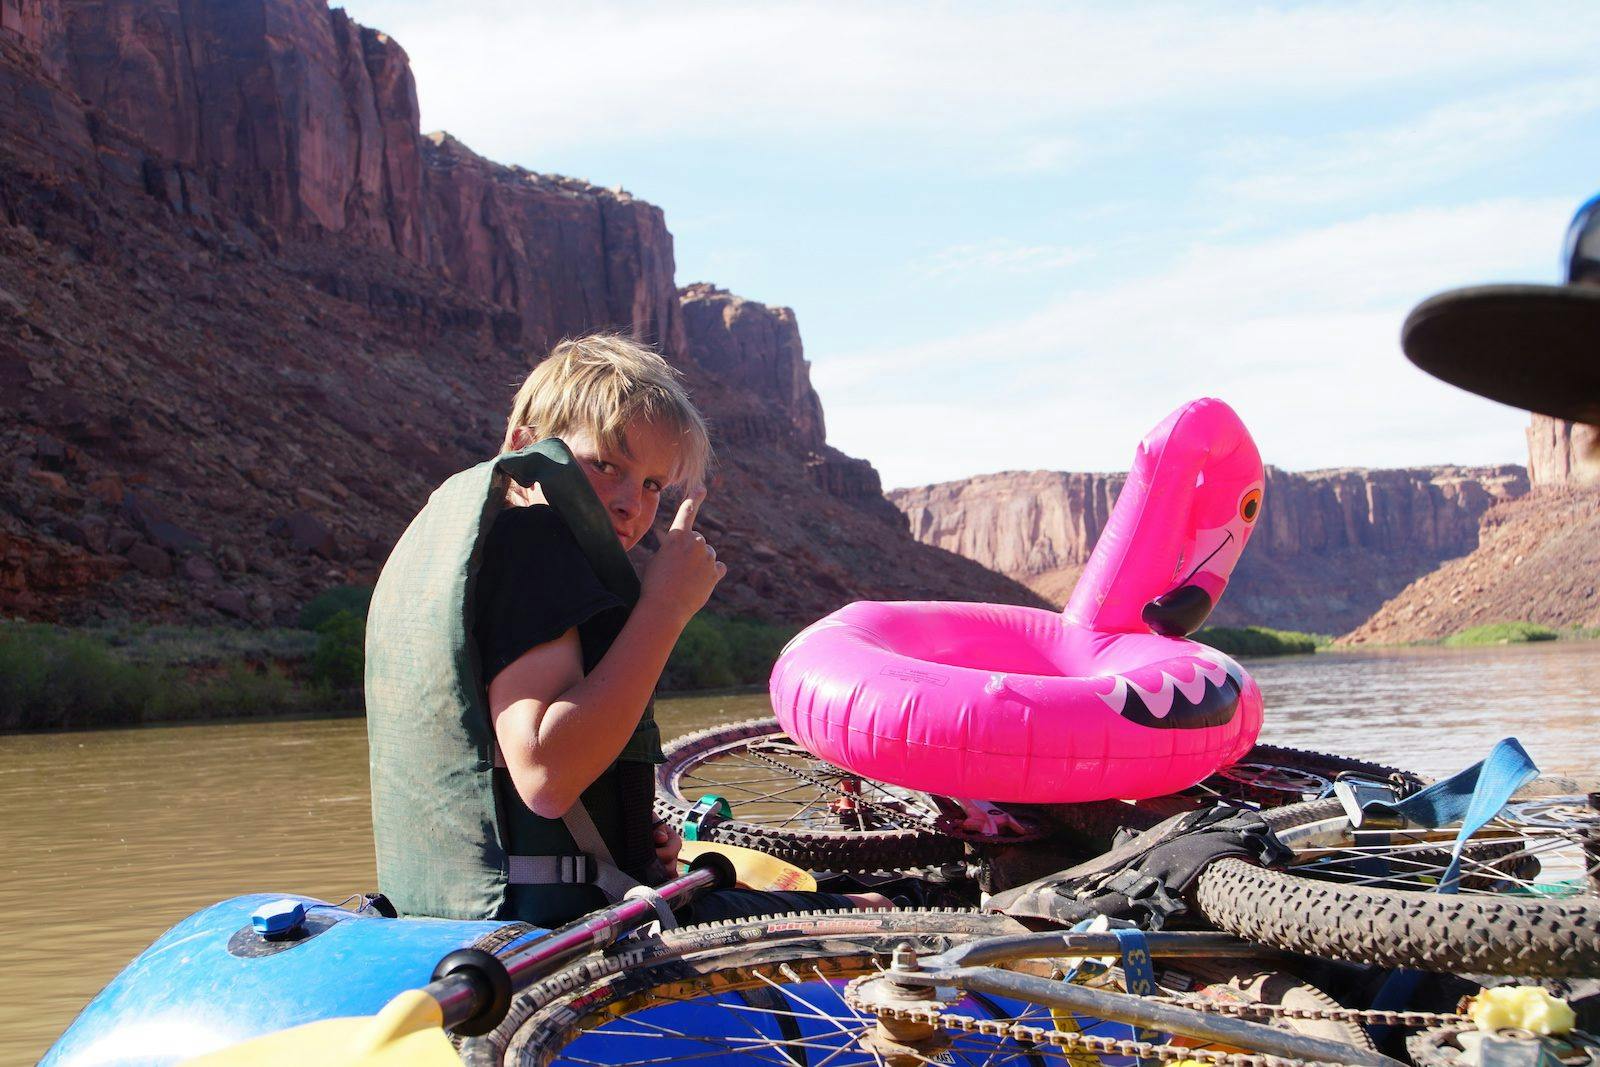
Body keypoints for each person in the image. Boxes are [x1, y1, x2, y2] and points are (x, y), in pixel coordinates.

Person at [365, 333, 888, 928]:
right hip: (551, 929)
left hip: (462, 911)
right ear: (526, 444)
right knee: (878, 906)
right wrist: (666, 607)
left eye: (652, 485)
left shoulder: (485, 542)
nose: (629, 504)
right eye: (605, 464)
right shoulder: (535, 541)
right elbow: (543, 773)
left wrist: (631, 828)